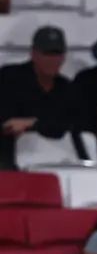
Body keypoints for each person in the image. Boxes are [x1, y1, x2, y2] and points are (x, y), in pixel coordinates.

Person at [0, 27, 77, 169]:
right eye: (47, 54)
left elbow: (66, 125)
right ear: (33, 54)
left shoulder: (66, 87)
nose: (53, 60)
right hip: (7, 159)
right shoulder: (9, 77)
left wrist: (32, 123)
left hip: (53, 159)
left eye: (57, 54)